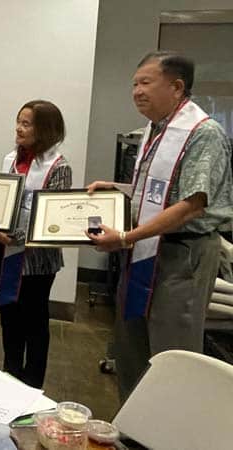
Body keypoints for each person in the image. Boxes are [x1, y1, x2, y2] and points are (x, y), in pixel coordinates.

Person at [87, 51, 233, 400]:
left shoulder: (203, 133)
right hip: (146, 252)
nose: (136, 91)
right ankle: (132, 429)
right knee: (131, 347)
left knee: (171, 354)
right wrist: (119, 189)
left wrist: (125, 237)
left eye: (146, 83)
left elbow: (191, 205)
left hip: (184, 254)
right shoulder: (156, 130)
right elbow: (158, 192)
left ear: (177, 86)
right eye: (134, 84)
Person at [0, 100, 72, 388]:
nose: (19, 128)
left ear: (45, 129)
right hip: (4, 251)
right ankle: (10, 374)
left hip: (36, 260)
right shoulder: (10, 159)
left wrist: (15, 238)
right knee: (9, 316)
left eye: (27, 123)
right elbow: (4, 201)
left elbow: (50, 219)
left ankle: (32, 385)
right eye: (18, 121)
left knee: (34, 323)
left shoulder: (58, 166)